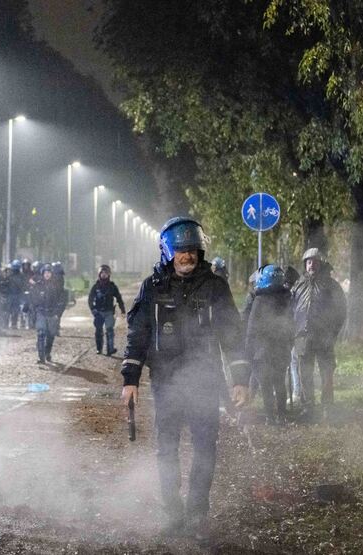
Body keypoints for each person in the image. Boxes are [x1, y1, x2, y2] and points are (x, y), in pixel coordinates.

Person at [122, 217, 249, 540]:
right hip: (165, 383)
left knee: (205, 449)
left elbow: (232, 335)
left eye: (192, 250)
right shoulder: (152, 288)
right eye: (180, 251)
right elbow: (138, 334)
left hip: (206, 383)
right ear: (167, 252)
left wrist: (239, 378)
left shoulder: (215, 287)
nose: (187, 256)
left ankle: (197, 515)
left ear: (200, 252)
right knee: (166, 449)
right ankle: (173, 513)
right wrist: (130, 378)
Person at [290, 248, 346, 417]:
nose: (311, 264)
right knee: (304, 373)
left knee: (326, 373)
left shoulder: (331, 285)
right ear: (304, 264)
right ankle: (308, 407)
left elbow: (341, 311)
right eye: (308, 261)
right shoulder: (298, 285)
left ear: (320, 263)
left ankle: (327, 407)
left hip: (324, 338)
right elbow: (290, 308)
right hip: (303, 338)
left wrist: (333, 333)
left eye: (314, 261)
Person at [245, 265, 293, 425]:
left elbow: (252, 328)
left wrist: (248, 349)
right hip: (281, 350)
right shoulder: (287, 298)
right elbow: (292, 325)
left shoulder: (259, 300)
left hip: (262, 351)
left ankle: (270, 417)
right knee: (279, 383)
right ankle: (281, 415)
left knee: (265, 384)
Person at [30, 263, 66, 363]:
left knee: (50, 335)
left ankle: (47, 353)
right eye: (45, 272)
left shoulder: (57, 286)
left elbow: (62, 301)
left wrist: (57, 313)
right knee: (41, 333)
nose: (47, 274)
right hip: (41, 312)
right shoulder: (38, 285)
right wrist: (35, 310)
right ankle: (41, 357)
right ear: (42, 273)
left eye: (49, 273)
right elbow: (33, 299)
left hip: (52, 313)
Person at [88, 264, 126, 355]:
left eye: (106, 273)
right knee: (98, 331)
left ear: (109, 274)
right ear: (99, 274)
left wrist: (122, 310)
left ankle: (110, 349)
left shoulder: (112, 286)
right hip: (98, 312)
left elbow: (119, 298)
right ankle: (99, 349)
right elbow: (90, 299)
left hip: (109, 312)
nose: (104, 275)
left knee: (110, 331)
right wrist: (93, 310)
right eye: (102, 273)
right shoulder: (95, 287)